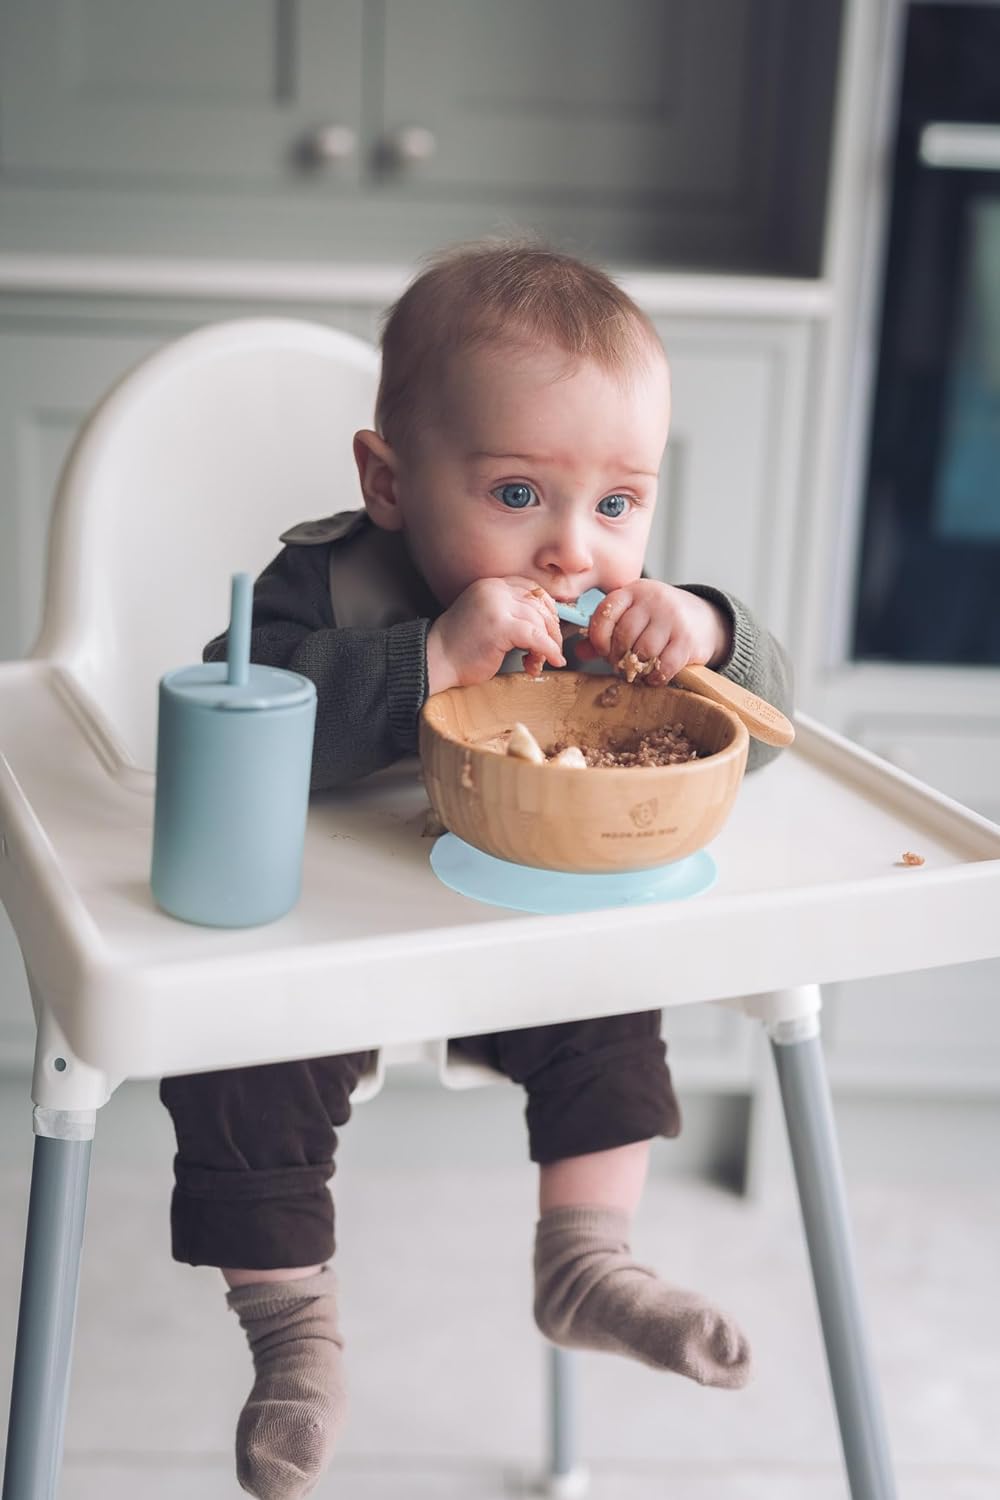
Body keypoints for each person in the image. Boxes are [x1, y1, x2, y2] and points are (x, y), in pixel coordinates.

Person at [160, 241, 793, 1500]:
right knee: (233, 1057)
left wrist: (710, 626)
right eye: (518, 495)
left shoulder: (617, 626)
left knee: (612, 1003)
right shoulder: (324, 586)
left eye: (616, 505)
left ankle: (586, 1261)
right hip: (328, 941)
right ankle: (293, 1335)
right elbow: (243, 714)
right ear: (387, 481)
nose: (573, 551)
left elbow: (765, 726)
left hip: (517, 921)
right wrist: (428, 661)